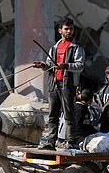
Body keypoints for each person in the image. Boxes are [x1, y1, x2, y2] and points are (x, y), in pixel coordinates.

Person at [34, 17, 85, 150]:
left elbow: (80, 66)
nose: (69, 31)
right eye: (66, 29)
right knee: (53, 115)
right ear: (60, 30)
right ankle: (51, 142)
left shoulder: (76, 48)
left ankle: (71, 141)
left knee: (69, 114)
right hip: (54, 84)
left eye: (71, 29)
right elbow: (51, 67)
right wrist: (43, 66)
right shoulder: (54, 48)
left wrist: (66, 65)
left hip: (68, 85)